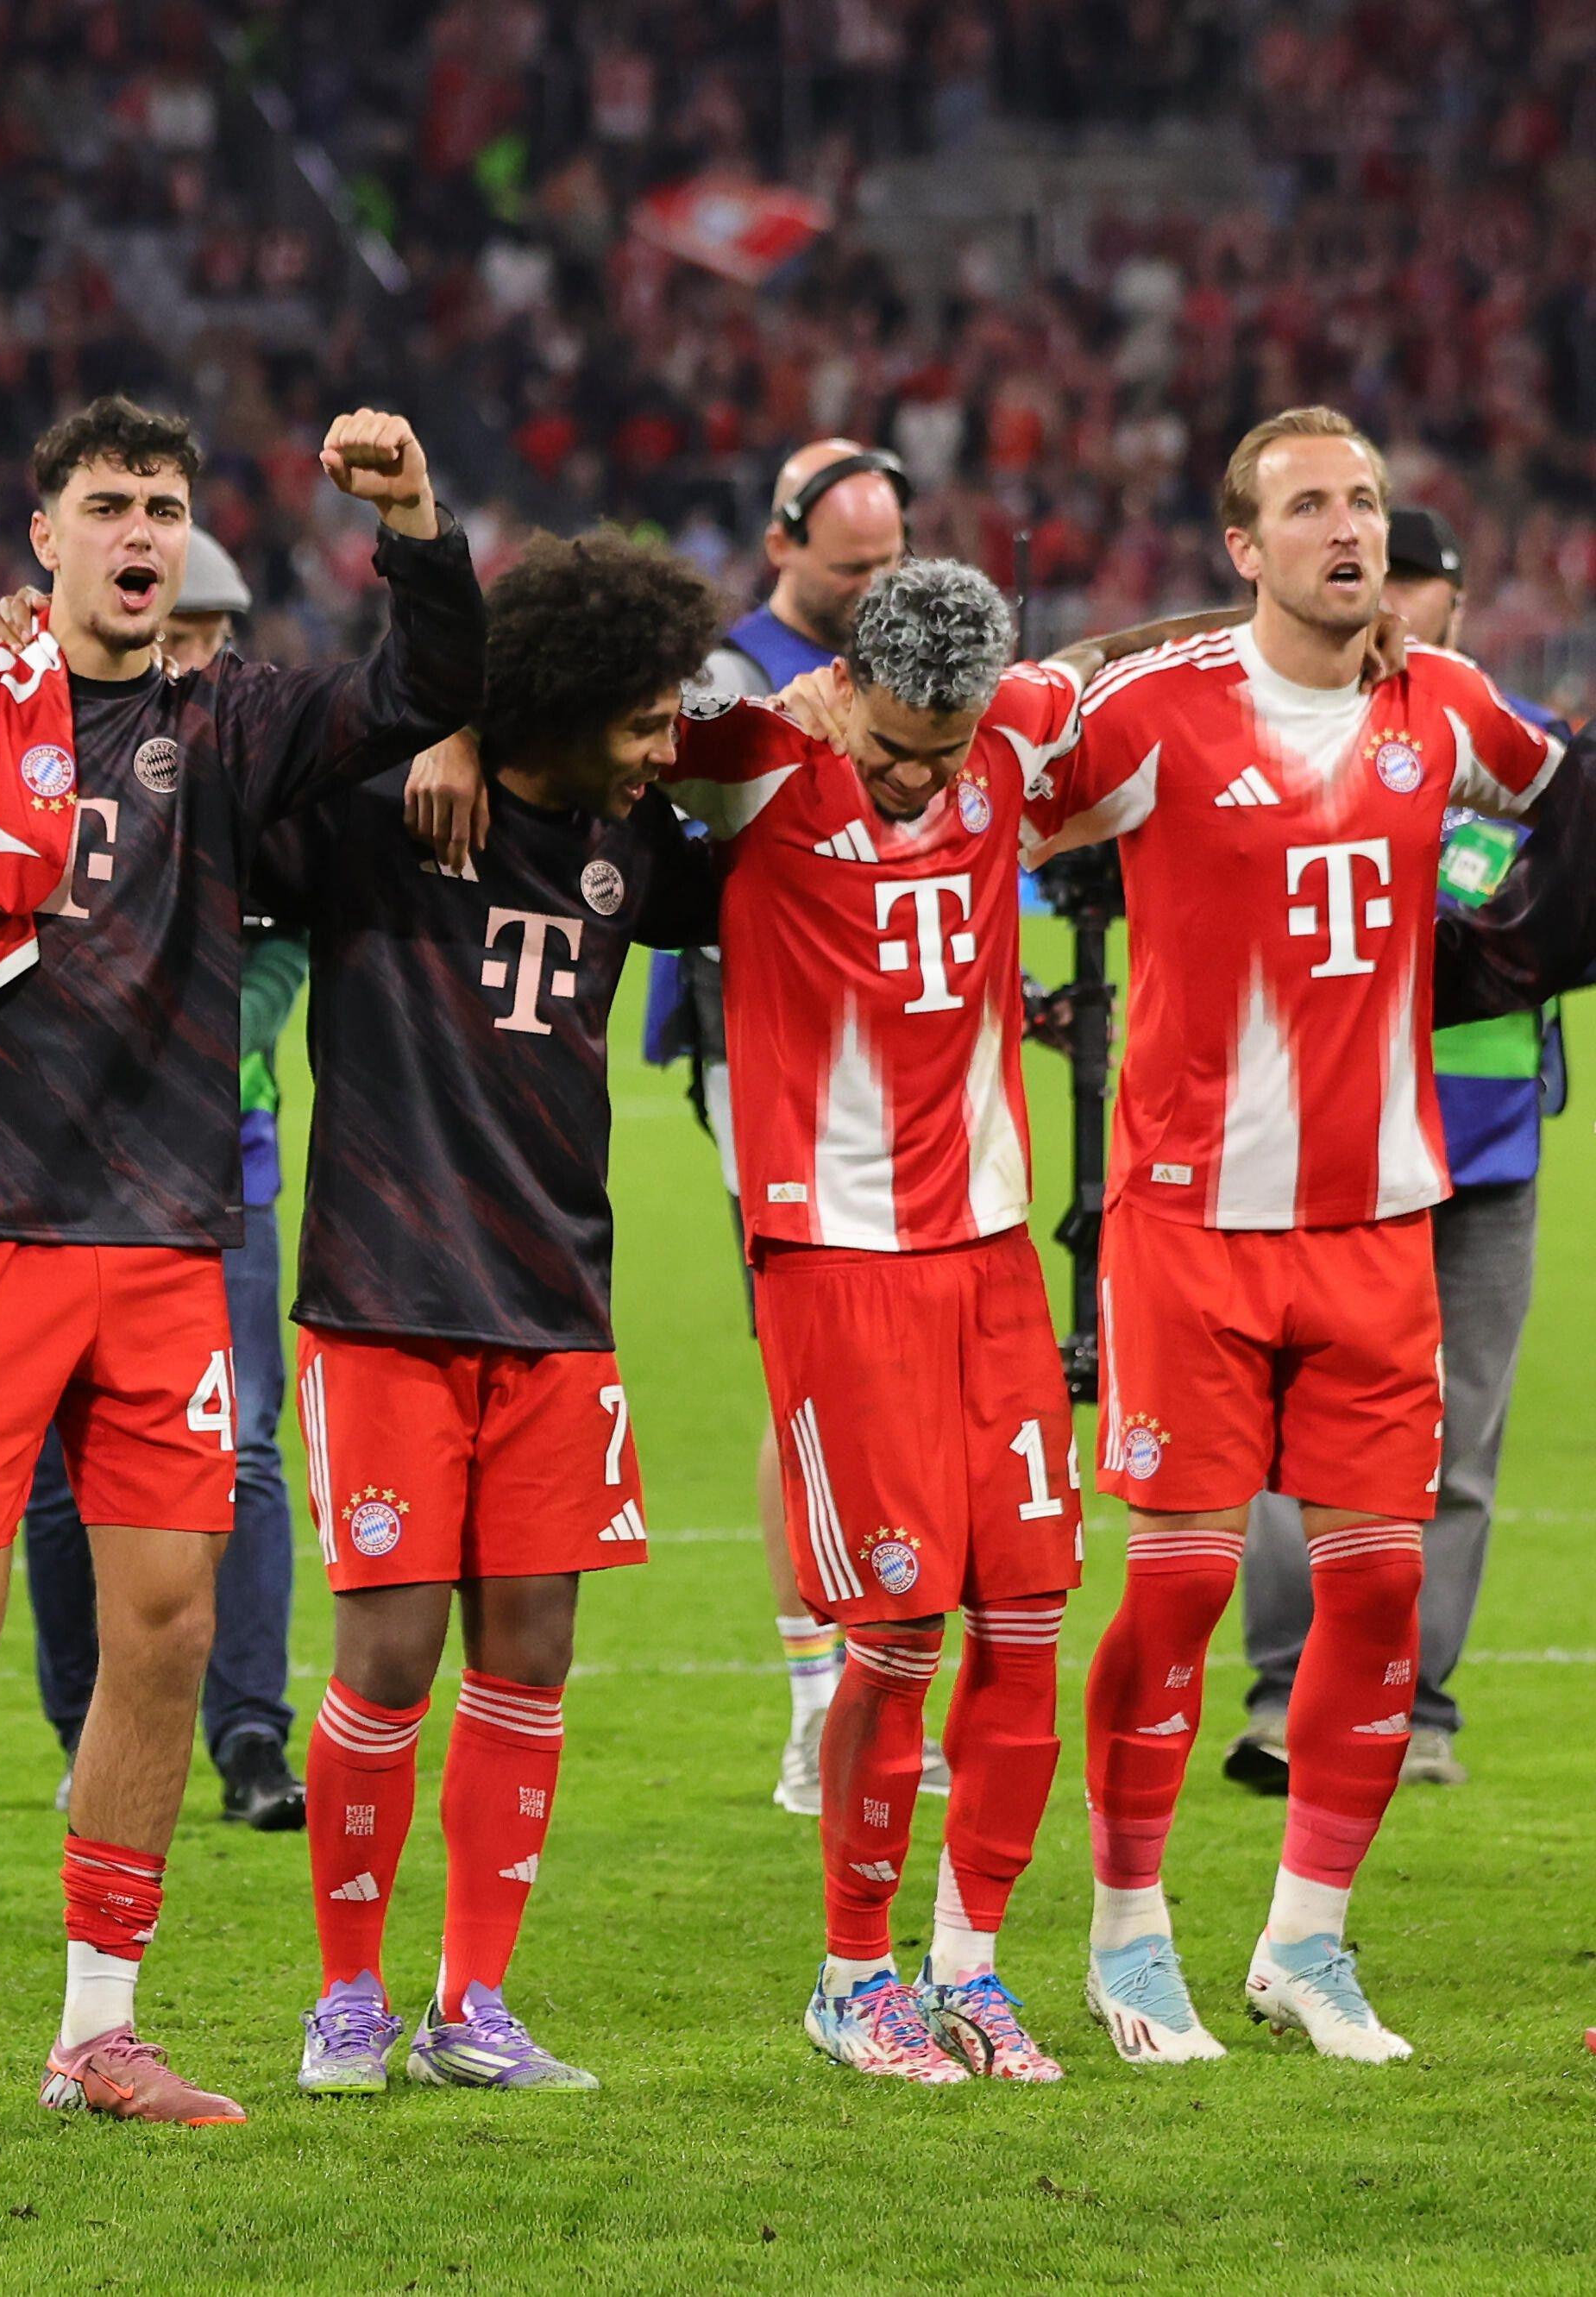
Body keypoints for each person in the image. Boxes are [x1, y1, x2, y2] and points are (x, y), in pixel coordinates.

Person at [0, 395, 487, 2136]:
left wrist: (412, 514)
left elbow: (417, 692)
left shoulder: (229, 720)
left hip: (164, 1241)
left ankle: (99, 2024)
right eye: (111, 502)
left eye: (166, 508)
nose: (142, 532)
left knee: (168, 1628)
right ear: (44, 533)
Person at [1033, 408, 1565, 2066]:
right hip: (1193, 1223)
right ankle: (1129, 1936)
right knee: (1182, 1594)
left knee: (1382, 1588)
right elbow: (988, 785)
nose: (1353, 528)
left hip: (1378, 1226)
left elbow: (1569, 794)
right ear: (1241, 548)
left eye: (1370, 502)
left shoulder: (1447, 706)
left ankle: (1306, 1943)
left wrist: (1524, 946)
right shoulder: (1158, 713)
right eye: (1311, 506)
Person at [279, 535, 718, 2099]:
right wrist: (442, 728)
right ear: (564, 701)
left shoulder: (640, 841)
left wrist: (500, 730)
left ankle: (474, 2002)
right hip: (388, 1296)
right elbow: (259, 778)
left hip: (556, 1304)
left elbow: (788, 768)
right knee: (388, 1655)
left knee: (531, 1651)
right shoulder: (387, 819)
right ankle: (347, 1995)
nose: (671, 743)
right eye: (645, 718)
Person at [668, 564, 1092, 2085]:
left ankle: (971, 1968)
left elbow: (1121, 669)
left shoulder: (1016, 734)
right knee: (901, 1620)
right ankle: (853, 1976)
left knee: (1032, 1611)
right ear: (842, 682)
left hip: (990, 1256)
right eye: (899, 741)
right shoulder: (754, 759)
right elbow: (587, 726)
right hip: (835, 1253)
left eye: (949, 744)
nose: (923, 773)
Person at [1224, 505, 1575, 1797]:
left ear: (1456, 612)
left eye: (1424, 588)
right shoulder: (1301, 742)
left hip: (1483, 1144)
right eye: (1387, 582)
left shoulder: (1509, 748)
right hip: (1324, 1137)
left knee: (1459, 1441)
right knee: (1286, 1427)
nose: (1400, 607)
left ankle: (1418, 1703)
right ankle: (1282, 1689)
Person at [15, 525, 305, 1830]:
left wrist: (193, 1043)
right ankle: (87, 1724)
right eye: (167, 630)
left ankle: (248, 1731)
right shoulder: (42, 745)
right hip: (52, 1162)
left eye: (200, 636)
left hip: (219, 1160)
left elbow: (285, 944)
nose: (179, 657)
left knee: (242, 1449)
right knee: (55, 1461)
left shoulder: (250, 763)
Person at [667, 440, 921, 1818]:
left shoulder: (913, 660)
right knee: (804, 1361)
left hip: (903, 1057)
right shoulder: (730, 677)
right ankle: (814, 1689)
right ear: (784, 548)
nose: (875, 584)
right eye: (851, 566)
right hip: (763, 1051)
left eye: (891, 560)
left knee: (893, 1361)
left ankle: (872, 1673)